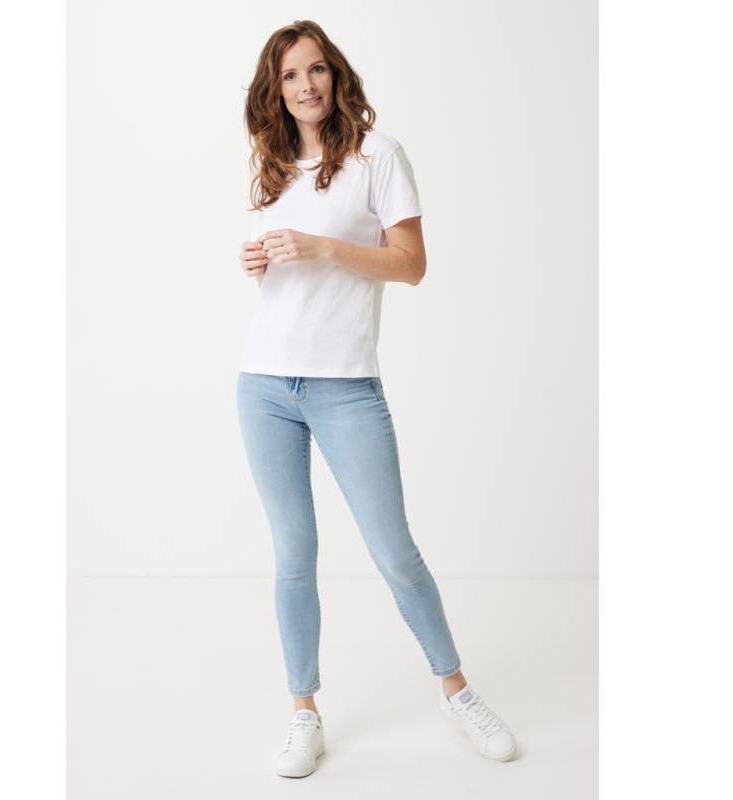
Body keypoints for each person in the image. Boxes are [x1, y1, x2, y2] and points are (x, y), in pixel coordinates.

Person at [236, 20, 518, 778]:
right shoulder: (271, 167)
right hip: (264, 383)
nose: (306, 85)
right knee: (293, 555)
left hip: (345, 385)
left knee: (394, 551)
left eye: (316, 69)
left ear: (337, 75)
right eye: (290, 75)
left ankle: (457, 692)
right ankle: (304, 712)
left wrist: (323, 246)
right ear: (275, 90)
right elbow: (283, 282)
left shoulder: (377, 156)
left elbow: (411, 263)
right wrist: (258, 258)